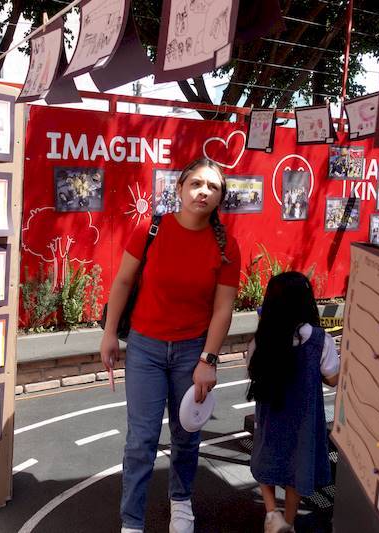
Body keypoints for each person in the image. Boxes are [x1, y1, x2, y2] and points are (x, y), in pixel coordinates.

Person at [100, 158, 240, 533]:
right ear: (179, 189)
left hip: (192, 352)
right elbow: (123, 282)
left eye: (213, 187)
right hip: (144, 349)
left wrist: (208, 360)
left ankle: (181, 501)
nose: (203, 191)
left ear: (220, 198)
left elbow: (223, 309)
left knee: (186, 435)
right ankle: (132, 521)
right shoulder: (151, 229)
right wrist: (109, 333)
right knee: (141, 440)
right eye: (196, 183)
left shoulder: (226, 246)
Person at [246, 272, 340, 533]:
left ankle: (271, 513)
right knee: (297, 471)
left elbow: (252, 371)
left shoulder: (261, 340)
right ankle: (288, 521)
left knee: (264, 461)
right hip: (304, 422)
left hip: (270, 418)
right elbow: (333, 378)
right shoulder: (320, 339)